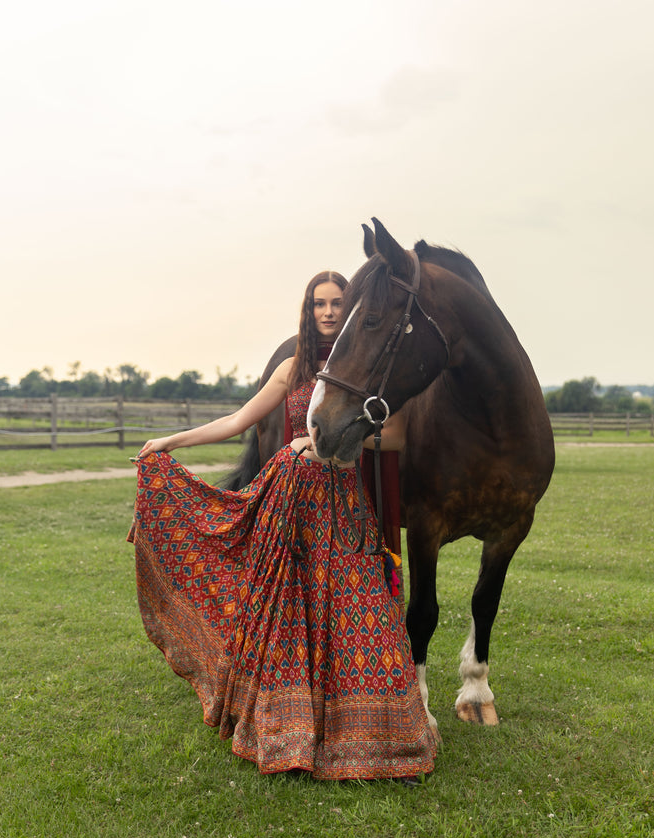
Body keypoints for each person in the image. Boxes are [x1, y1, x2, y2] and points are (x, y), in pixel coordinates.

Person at [128, 270, 437, 781]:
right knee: (289, 616)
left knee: (362, 611)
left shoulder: (363, 372)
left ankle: (380, 733)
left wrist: (339, 439)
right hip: (290, 502)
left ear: (351, 308)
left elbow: (399, 434)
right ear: (309, 309)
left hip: (343, 506)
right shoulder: (293, 369)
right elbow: (237, 421)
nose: (330, 312)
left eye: (338, 303)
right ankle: (289, 727)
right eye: (320, 303)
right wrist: (171, 442)